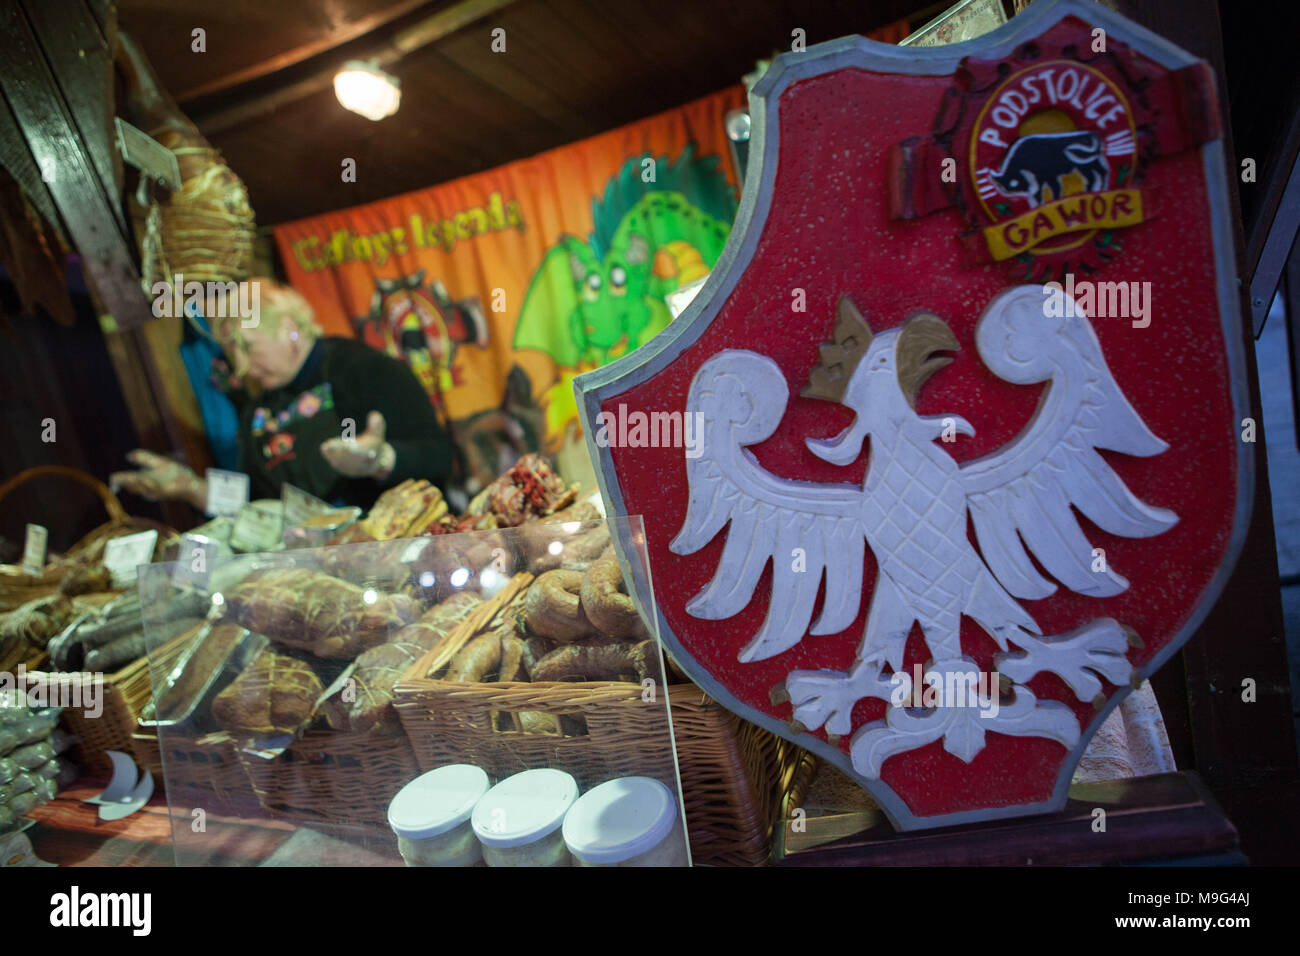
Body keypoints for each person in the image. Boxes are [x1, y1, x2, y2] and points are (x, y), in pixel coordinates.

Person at [112, 278, 453, 511]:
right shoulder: (258, 411)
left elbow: (439, 456)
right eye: (233, 353)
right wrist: (190, 488)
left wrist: (380, 460)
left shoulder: (366, 369)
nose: (242, 367)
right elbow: (255, 504)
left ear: (290, 329)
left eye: (248, 347)